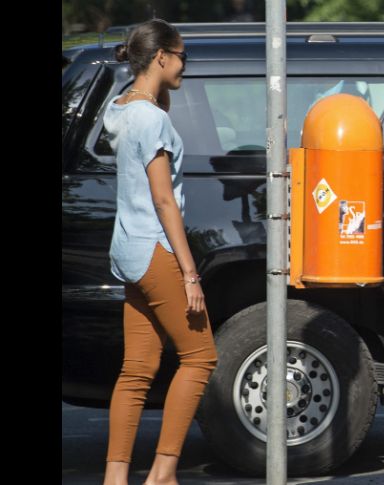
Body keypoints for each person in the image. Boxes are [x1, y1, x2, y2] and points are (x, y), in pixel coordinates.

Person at [102, 19, 218, 485]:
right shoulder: (152, 119)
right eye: (182, 56)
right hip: (155, 248)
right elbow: (163, 198)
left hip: (127, 249)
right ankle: (163, 473)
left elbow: (152, 103)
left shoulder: (123, 108)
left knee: (138, 369)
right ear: (162, 57)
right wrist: (190, 273)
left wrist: (158, 90)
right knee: (200, 356)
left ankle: (115, 478)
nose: (186, 65)